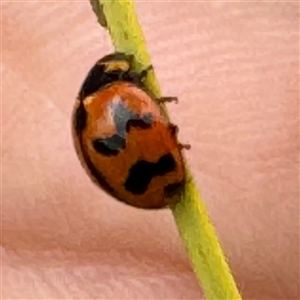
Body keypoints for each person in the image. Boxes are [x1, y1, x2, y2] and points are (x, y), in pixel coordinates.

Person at [2, 2, 299, 299]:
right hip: (153, 183)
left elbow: (143, 114)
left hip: (149, 184)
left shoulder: (98, 103)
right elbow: (142, 111)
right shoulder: (106, 101)